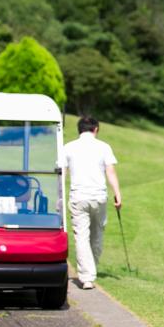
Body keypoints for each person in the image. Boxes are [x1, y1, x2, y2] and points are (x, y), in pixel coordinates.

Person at [61, 116, 122, 289]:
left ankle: (87, 276)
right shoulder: (104, 147)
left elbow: (62, 173)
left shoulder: (69, 147)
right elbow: (110, 171)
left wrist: (59, 196)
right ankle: (90, 271)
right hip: (98, 197)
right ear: (95, 129)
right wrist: (118, 194)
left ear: (79, 130)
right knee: (97, 234)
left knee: (81, 236)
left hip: (78, 196)